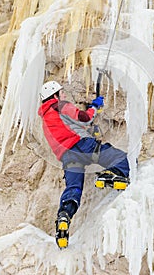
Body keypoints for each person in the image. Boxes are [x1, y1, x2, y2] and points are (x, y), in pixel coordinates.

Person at [38, 80, 130, 248]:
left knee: (73, 189)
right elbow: (84, 118)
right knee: (116, 156)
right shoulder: (59, 105)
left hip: (67, 157)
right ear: (55, 95)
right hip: (81, 145)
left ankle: (64, 217)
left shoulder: (45, 118)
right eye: (61, 92)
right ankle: (112, 176)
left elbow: (66, 128)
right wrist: (94, 107)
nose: (64, 95)